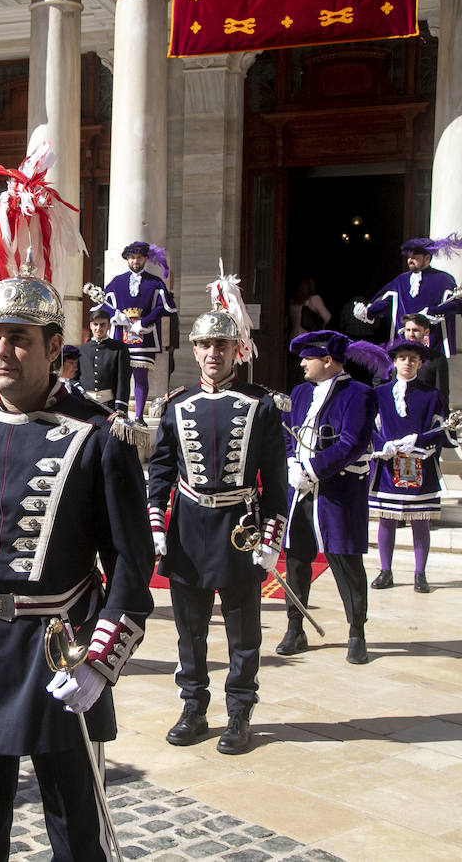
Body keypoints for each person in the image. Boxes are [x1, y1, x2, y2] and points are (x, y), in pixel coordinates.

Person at [0, 134, 154, 861]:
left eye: (20, 339)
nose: (2, 352)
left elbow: (131, 568)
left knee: (75, 828)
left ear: (54, 348)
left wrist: (101, 658)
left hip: (59, 647)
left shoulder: (100, 437)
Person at [146, 277, 288, 754]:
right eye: (205, 344)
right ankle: (193, 706)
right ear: (194, 349)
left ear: (236, 350)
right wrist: (155, 525)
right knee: (189, 629)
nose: (213, 353)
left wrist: (271, 535)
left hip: (238, 529)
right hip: (187, 528)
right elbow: (161, 470)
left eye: (222, 345)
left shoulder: (260, 405)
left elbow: (276, 479)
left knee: (243, 630)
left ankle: (239, 711)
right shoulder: (176, 404)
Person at [279, 330, 381, 665]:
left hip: (337, 492)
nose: (302, 363)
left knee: (345, 560)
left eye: (308, 357)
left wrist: (312, 469)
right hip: (301, 493)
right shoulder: (298, 392)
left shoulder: (359, 394)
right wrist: (291, 462)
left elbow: (352, 443)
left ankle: (357, 632)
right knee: (296, 559)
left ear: (327, 360)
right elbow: (286, 432)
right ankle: (295, 628)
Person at [369, 337, 458, 594]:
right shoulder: (379, 394)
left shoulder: (432, 396)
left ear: (420, 363)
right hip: (388, 465)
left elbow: (444, 431)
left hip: (420, 464)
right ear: (394, 362)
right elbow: (367, 427)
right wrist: (381, 445)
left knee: (421, 520)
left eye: (413, 359)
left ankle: (421, 574)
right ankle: (386, 570)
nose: (407, 363)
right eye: (402, 358)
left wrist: (419, 441)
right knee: (387, 519)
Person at [354, 234, 462, 366]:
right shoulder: (401, 280)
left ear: (427, 258)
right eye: (409, 258)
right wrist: (367, 312)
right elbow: (386, 303)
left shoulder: (444, 279)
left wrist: (434, 311)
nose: (410, 261)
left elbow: (459, 305)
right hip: (405, 347)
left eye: (415, 258)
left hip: (432, 347)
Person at [97, 240, 178, 423]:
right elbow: (101, 304)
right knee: (120, 377)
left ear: (145, 259)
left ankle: (140, 415)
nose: (135, 261)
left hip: (145, 337)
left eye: (139, 257)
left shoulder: (155, 282)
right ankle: (119, 412)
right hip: (120, 336)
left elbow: (166, 307)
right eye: (132, 257)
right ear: (127, 259)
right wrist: (115, 315)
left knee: (141, 377)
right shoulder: (117, 282)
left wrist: (146, 322)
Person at [77, 308, 131, 415]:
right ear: (90, 325)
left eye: (102, 324)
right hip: (85, 403)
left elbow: (123, 381)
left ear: (109, 326)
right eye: (95, 324)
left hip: (109, 404)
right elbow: (74, 378)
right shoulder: (81, 349)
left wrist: (120, 407)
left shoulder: (119, 348)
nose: (98, 328)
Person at [399, 313, 448, 400]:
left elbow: (442, 394)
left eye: (415, 330)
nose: (411, 334)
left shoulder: (437, 359)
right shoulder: (395, 356)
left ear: (426, 332)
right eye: (408, 330)